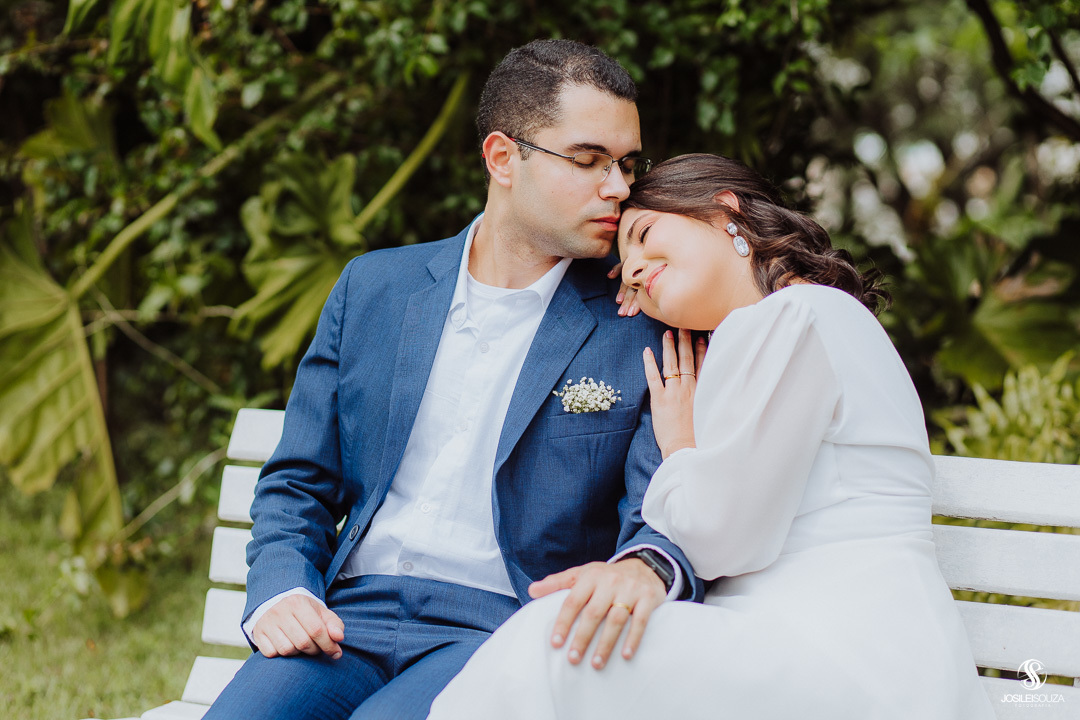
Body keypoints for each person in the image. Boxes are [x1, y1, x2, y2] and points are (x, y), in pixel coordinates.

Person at [204, 40, 705, 720]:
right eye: (589, 161)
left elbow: (663, 505)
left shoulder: (638, 319)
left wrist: (647, 566)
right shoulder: (376, 288)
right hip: (345, 618)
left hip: (504, 628)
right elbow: (298, 481)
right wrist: (282, 589)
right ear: (503, 158)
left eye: (626, 164)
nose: (617, 187)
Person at [428, 153, 996, 719]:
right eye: (622, 266)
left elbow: (722, 538)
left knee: (557, 639)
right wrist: (656, 276)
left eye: (646, 233)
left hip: (853, 653)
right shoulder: (779, 326)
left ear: (726, 211)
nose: (631, 269)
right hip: (787, 636)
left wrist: (678, 447)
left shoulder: (798, 316)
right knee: (570, 633)